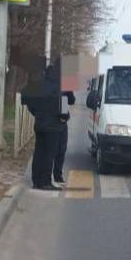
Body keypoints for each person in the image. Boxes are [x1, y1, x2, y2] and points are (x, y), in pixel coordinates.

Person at [21, 61, 63, 191]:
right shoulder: (58, 87)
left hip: (39, 124)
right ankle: (45, 181)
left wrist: (37, 113)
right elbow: (65, 109)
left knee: (38, 152)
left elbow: (27, 99)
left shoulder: (39, 86)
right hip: (53, 126)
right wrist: (62, 119)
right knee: (49, 154)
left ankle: (36, 180)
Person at [51, 59, 75, 185]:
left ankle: (54, 174)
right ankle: (57, 174)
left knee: (56, 148)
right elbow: (69, 100)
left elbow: (69, 100)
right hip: (58, 120)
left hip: (54, 118)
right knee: (59, 148)